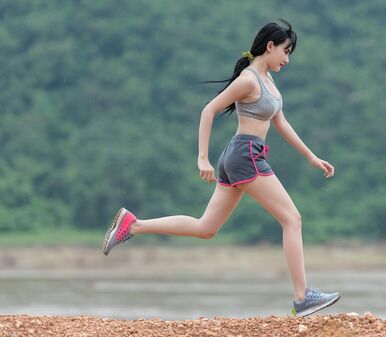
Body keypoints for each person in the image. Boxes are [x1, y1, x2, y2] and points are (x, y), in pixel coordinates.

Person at [102, 19, 340, 317]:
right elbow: (209, 110)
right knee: (292, 219)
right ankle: (302, 297)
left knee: (206, 228)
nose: (287, 59)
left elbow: (280, 122)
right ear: (270, 46)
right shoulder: (249, 79)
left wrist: (311, 157)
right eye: (285, 51)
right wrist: (202, 158)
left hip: (240, 156)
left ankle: (133, 225)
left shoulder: (268, 80)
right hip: (245, 156)